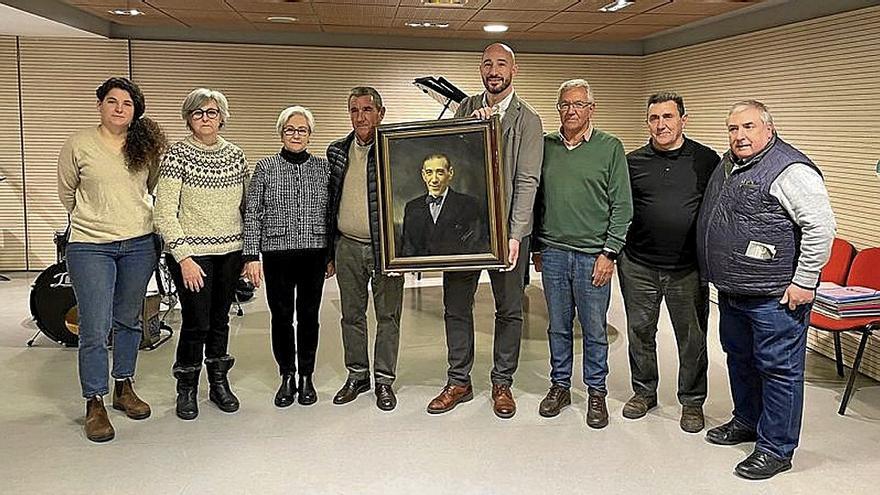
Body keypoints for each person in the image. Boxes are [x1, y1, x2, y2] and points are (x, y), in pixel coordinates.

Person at [697, 100, 835, 479]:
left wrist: (805, 281)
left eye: (748, 127)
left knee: (779, 370)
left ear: (769, 129)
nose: (739, 135)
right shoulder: (731, 164)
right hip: (735, 290)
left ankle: (776, 448)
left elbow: (821, 228)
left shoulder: (789, 169)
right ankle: (746, 420)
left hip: (776, 296)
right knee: (739, 359)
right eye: (733, 128)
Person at [427, 43, 543, 419]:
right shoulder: (465, 108)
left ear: (515, 69)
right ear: (480, 68)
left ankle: (502, 383)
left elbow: (527, 181)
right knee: (455, 306)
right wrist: (468, 129)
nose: (494, 70)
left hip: (507, 232)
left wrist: (515, 234)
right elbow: (443, 157)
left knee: (509, 309)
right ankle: (458, 380)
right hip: (464, 230)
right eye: (488, 64)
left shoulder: (529, 120)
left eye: (502, 64)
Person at [57, 77, 167, 442]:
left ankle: (123, 387)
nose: (119, 108)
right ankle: (95, 402)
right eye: (112, 101)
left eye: (127, 103)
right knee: (94, 325)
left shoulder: (145, 147)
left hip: (138, 243)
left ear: (136, 111)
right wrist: (95, 219)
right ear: (100, 105)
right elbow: (67, 192)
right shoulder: (79, 145)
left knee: (129, 320)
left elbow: (152, 188)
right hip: (90, 246)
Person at [532, 79, 632, 429]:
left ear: (592, 108)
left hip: (593, 256)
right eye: (564, 104)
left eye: (578, 104)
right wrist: (537, 248)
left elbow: (622, 205)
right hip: (555, 253)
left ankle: (596, 392)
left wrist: (610, 252)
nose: (571, 111)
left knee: (593, 330)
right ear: (558, 108)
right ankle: (560, 386)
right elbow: (535, 200)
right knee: (558, 328)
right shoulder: (545, 146)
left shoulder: (609, 147)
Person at [619, 92, 720, 433]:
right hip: (638, 265)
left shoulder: (706, 160)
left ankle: (692, 402)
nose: (660, 125)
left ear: (682, 120)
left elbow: (720, 211)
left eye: (667, 117)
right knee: (640, 332)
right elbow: (620, 210)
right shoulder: (632, 162)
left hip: (687, 269)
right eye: (654, 118)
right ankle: (644, 392)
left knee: (691, 338)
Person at [154, 88, 248, 420]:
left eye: (211, 112)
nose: (205, 118)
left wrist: (250, 254)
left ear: (222, 117)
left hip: (230, 252)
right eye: (198, 113)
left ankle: (219, 384)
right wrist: (184, 257)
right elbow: (164, 212)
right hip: (192, 255)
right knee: (196, 322)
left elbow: (246, 207)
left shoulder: (236, 155)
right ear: (189, 119)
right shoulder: (176, 155)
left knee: (220, 320)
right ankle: (187, 388)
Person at [242, 106, 333, 408]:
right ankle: (287, 376)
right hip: (277, 254)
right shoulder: (265, 167)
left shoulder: (323, 169)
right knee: (281, 318)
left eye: (302, 130)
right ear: (281, 133)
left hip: (314, 252)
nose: (296, 135)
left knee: (309, 317)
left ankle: (306, 376)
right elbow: (252, 213)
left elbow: (331, 214)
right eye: (290, 130)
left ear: (310, 135)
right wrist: (250, 255)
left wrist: (330, 254)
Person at [327, 87, 404, 412]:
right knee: (351, 316)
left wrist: (407, 252)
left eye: (367, 110)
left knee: (388, 316)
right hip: (346, 246)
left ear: (381, 113)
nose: (361, 116)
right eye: (355, 110)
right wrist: (329, 251)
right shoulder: (337, 151)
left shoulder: (395, 150)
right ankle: (357, 375)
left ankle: (384, 379)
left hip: (386, 249)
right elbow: (329, 203)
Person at [400, 153, 488, 257]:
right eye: (429, 173)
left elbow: (476, 246)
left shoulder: (470, 204)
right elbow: (407, 249)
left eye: (440, 173)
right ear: (423, 175)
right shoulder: (412, 207)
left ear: (450, 173)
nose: (434, 180)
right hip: (422, 271)